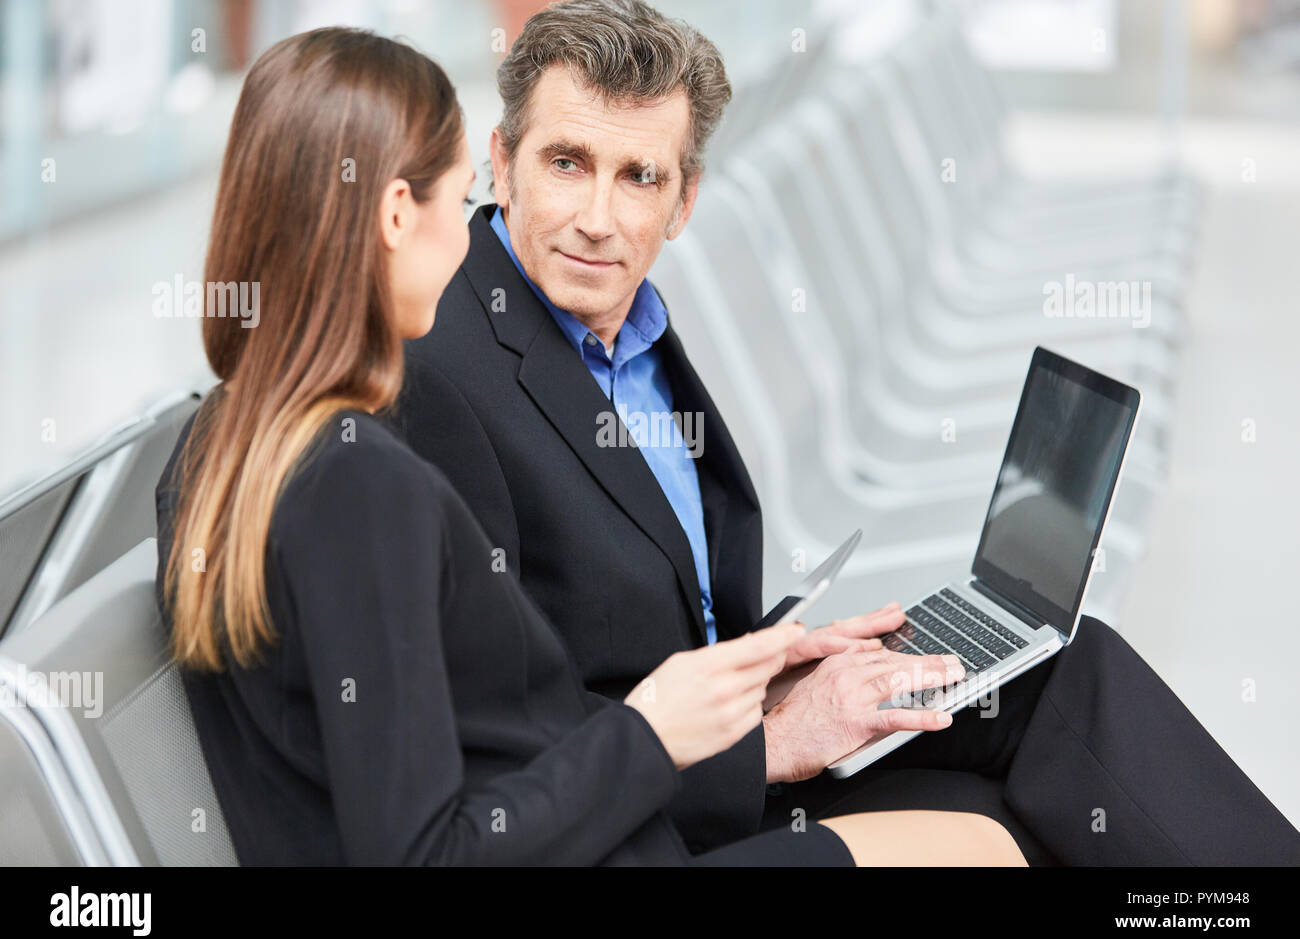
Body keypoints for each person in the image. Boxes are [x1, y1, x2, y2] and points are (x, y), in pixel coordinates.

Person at [396, 0, 1300, 864]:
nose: (599, 218)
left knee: (1061, 672)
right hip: (641, 813)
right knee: (1035, 813)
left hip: (734, 727)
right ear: (501, 159)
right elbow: (501, 730)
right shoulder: (446, 369)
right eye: (567, 163)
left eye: (640, 177)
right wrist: (772, 741)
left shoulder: (629, 332)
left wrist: (784, 670)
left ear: (684, 202)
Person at [153, 26, 1027, 867]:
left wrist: (735, 683)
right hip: (609, 838)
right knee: (981, 839)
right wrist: (654, 730)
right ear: (394, 215)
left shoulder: (219, 451)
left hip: (600, 822)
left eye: (638, 178)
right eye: (460, 198)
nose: (471, 237)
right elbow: (429, 844)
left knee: (1003, 779)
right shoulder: (360, 481)